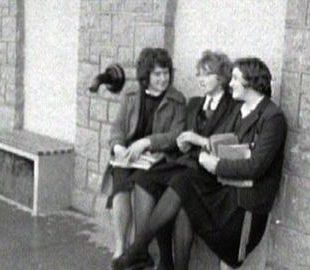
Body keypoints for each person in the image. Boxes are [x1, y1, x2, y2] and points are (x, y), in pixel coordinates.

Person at [113, 57, 287, 270]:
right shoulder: (244, 109)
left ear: (250, 83)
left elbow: (255, 166)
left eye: (235, 79)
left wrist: (215, 164)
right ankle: (141, 252)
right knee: (180, 182)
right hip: (227, 185)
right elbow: (233, 147)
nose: (230, 83)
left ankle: (137, 251)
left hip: (243, 199)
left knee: (183, 186)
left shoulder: (272, 117)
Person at [128, 50, 237, 270]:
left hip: (209, 172)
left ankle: (137, 250)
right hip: (186, 163)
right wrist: (182, 143)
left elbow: (229, 145)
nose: (200, 79)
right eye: (199, 74)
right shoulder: (195, 104)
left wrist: (199, 140)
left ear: (222, 77)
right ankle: (163, 260)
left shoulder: (233, 107)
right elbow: (181, 137)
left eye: (207, 75)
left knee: (180, 191)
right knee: (144, 178)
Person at [103, 47, 186, 268]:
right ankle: (121, 246)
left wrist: (148, 142)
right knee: (120, 184)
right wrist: (119, 147)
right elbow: (117, 128)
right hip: (129, 157)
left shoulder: (177, 101)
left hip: (157, 160)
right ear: (146, 75)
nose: (163, 78)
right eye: (157, 74)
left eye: (166, 73)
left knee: (143, 182)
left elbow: (176, 135)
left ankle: (139, 248)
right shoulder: (131, 94)